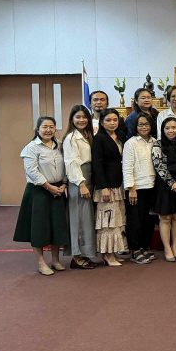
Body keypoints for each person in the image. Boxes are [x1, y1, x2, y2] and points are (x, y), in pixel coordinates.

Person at [14, 116, 70, 275]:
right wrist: (49, 187)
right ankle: (41, 263)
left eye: (51, 127)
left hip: (58, 190)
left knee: (57, 226)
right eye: (44, 127)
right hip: (39, 191)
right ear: (37, 129)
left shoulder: (59, 144)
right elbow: (32, 171)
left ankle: (55, 260)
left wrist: (64, 183)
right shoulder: (31, 147)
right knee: (39, 227)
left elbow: (66, 165)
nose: (48, 130)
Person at [63, 105, 99, 269]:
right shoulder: (71, 138)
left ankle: (85, 253)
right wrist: (81, 184)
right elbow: (71, 163)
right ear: (72, 119)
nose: (82, 120)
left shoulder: (87, 135)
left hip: (89, 177)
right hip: (79, 180)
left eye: (84, 117)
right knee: (78, 217)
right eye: (78, 117)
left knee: (87, 218)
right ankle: (77, 257)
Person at [91, 109, 128, 267]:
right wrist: (103, 187)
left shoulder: (120, 136)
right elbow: (97, 164)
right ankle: (107, 255)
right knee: (107, 222)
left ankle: (113, 251)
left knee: (116, 221)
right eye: (108, 120)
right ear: (101, 122)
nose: (112, 123)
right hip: (106, 186)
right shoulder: (99, 139)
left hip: (118, 184)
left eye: (115, 120)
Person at [122, 113, 158, 264]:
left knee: (148, 220)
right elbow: (127, 166)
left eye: (146, 124)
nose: (144, 127)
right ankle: (135, 250)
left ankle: (144, 246)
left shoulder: (155, 142)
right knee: (135, 221)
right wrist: (131, 188)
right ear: (136, 127)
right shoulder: (131, 143)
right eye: (140, 124)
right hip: (136, 188)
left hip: (152, 187)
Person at [152, 116, 176, 262]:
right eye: (167, 128)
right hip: (164, 185)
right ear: (163, 130)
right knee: (166, 217)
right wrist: (172, 183)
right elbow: (158, 165)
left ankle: (175, 247)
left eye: (174, 127)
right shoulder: (157, 144)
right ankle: (167, 248)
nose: (170, 131)